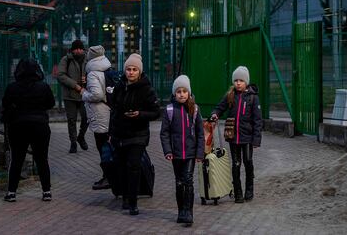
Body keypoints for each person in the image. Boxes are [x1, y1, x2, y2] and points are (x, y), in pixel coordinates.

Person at [109, 53, 160, 216]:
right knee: (121, 167)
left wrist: (139, 114)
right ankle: (124, 196)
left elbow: (155, 112)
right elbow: (114, 110)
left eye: (134, 70)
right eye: (128, 69)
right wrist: (111, 132)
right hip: (120, 134)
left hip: (138, 135)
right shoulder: (119, 87)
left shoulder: (146, 89)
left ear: (139, 72)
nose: (130, 72)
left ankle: (133, 202)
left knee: (133, 166)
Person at [2, 58, 55, 202]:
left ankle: (12, 192)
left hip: (18, 126)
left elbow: (5, 104)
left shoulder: (12, 87)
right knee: (42, 159)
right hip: (40, 126)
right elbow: (51, 103)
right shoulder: (43, 87)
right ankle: (46, 192)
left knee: (17, 159)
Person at [210, 66, 262, 203]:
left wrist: (256, 140)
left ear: (246, 82)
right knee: (236, 164)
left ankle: (249, 190)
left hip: (247, 138)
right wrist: (215, 114)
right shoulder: (230, 95)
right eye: (236, 80)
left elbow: (257, 121)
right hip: (233, 137)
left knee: (248, 162)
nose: (238, 83)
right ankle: (238, 192)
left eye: (241, 80)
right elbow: (219, 108)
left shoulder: (253, 98)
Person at [160, 75, 204, 226]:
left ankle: (189, 212)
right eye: (178, 91)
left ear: (189, 93)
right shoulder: (169, 110)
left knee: (188, 181)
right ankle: (181, 211)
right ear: (174, 93)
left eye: (184, 91)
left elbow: (200, 133)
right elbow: (164, 133)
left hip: (191, 153)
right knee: (179, 182)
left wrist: (200, 153)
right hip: (176, 153)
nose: (182, 94)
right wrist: (168, 150)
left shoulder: (195, 109)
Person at [81, 45, 112, 190]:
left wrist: (83, 93)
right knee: (109, 145)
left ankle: (108, 177)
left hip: (99, 114)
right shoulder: (107, 68)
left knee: (103, 147)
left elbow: (97, 95)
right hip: (109, 112)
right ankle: (111, 175)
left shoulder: (93, 73)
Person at [57, 39, 89, 153]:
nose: (78, 51)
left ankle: (81, 136)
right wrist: (75, 85)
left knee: (87, 117)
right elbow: (60, 75)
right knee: (72, 120)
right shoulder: (66, 59)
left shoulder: (88, 59)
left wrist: (88, 78)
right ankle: (73, 142)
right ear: (72, 49)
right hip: (70, 95)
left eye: (80, 48)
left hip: (84, 95)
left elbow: (94, 73)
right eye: (76, 49)